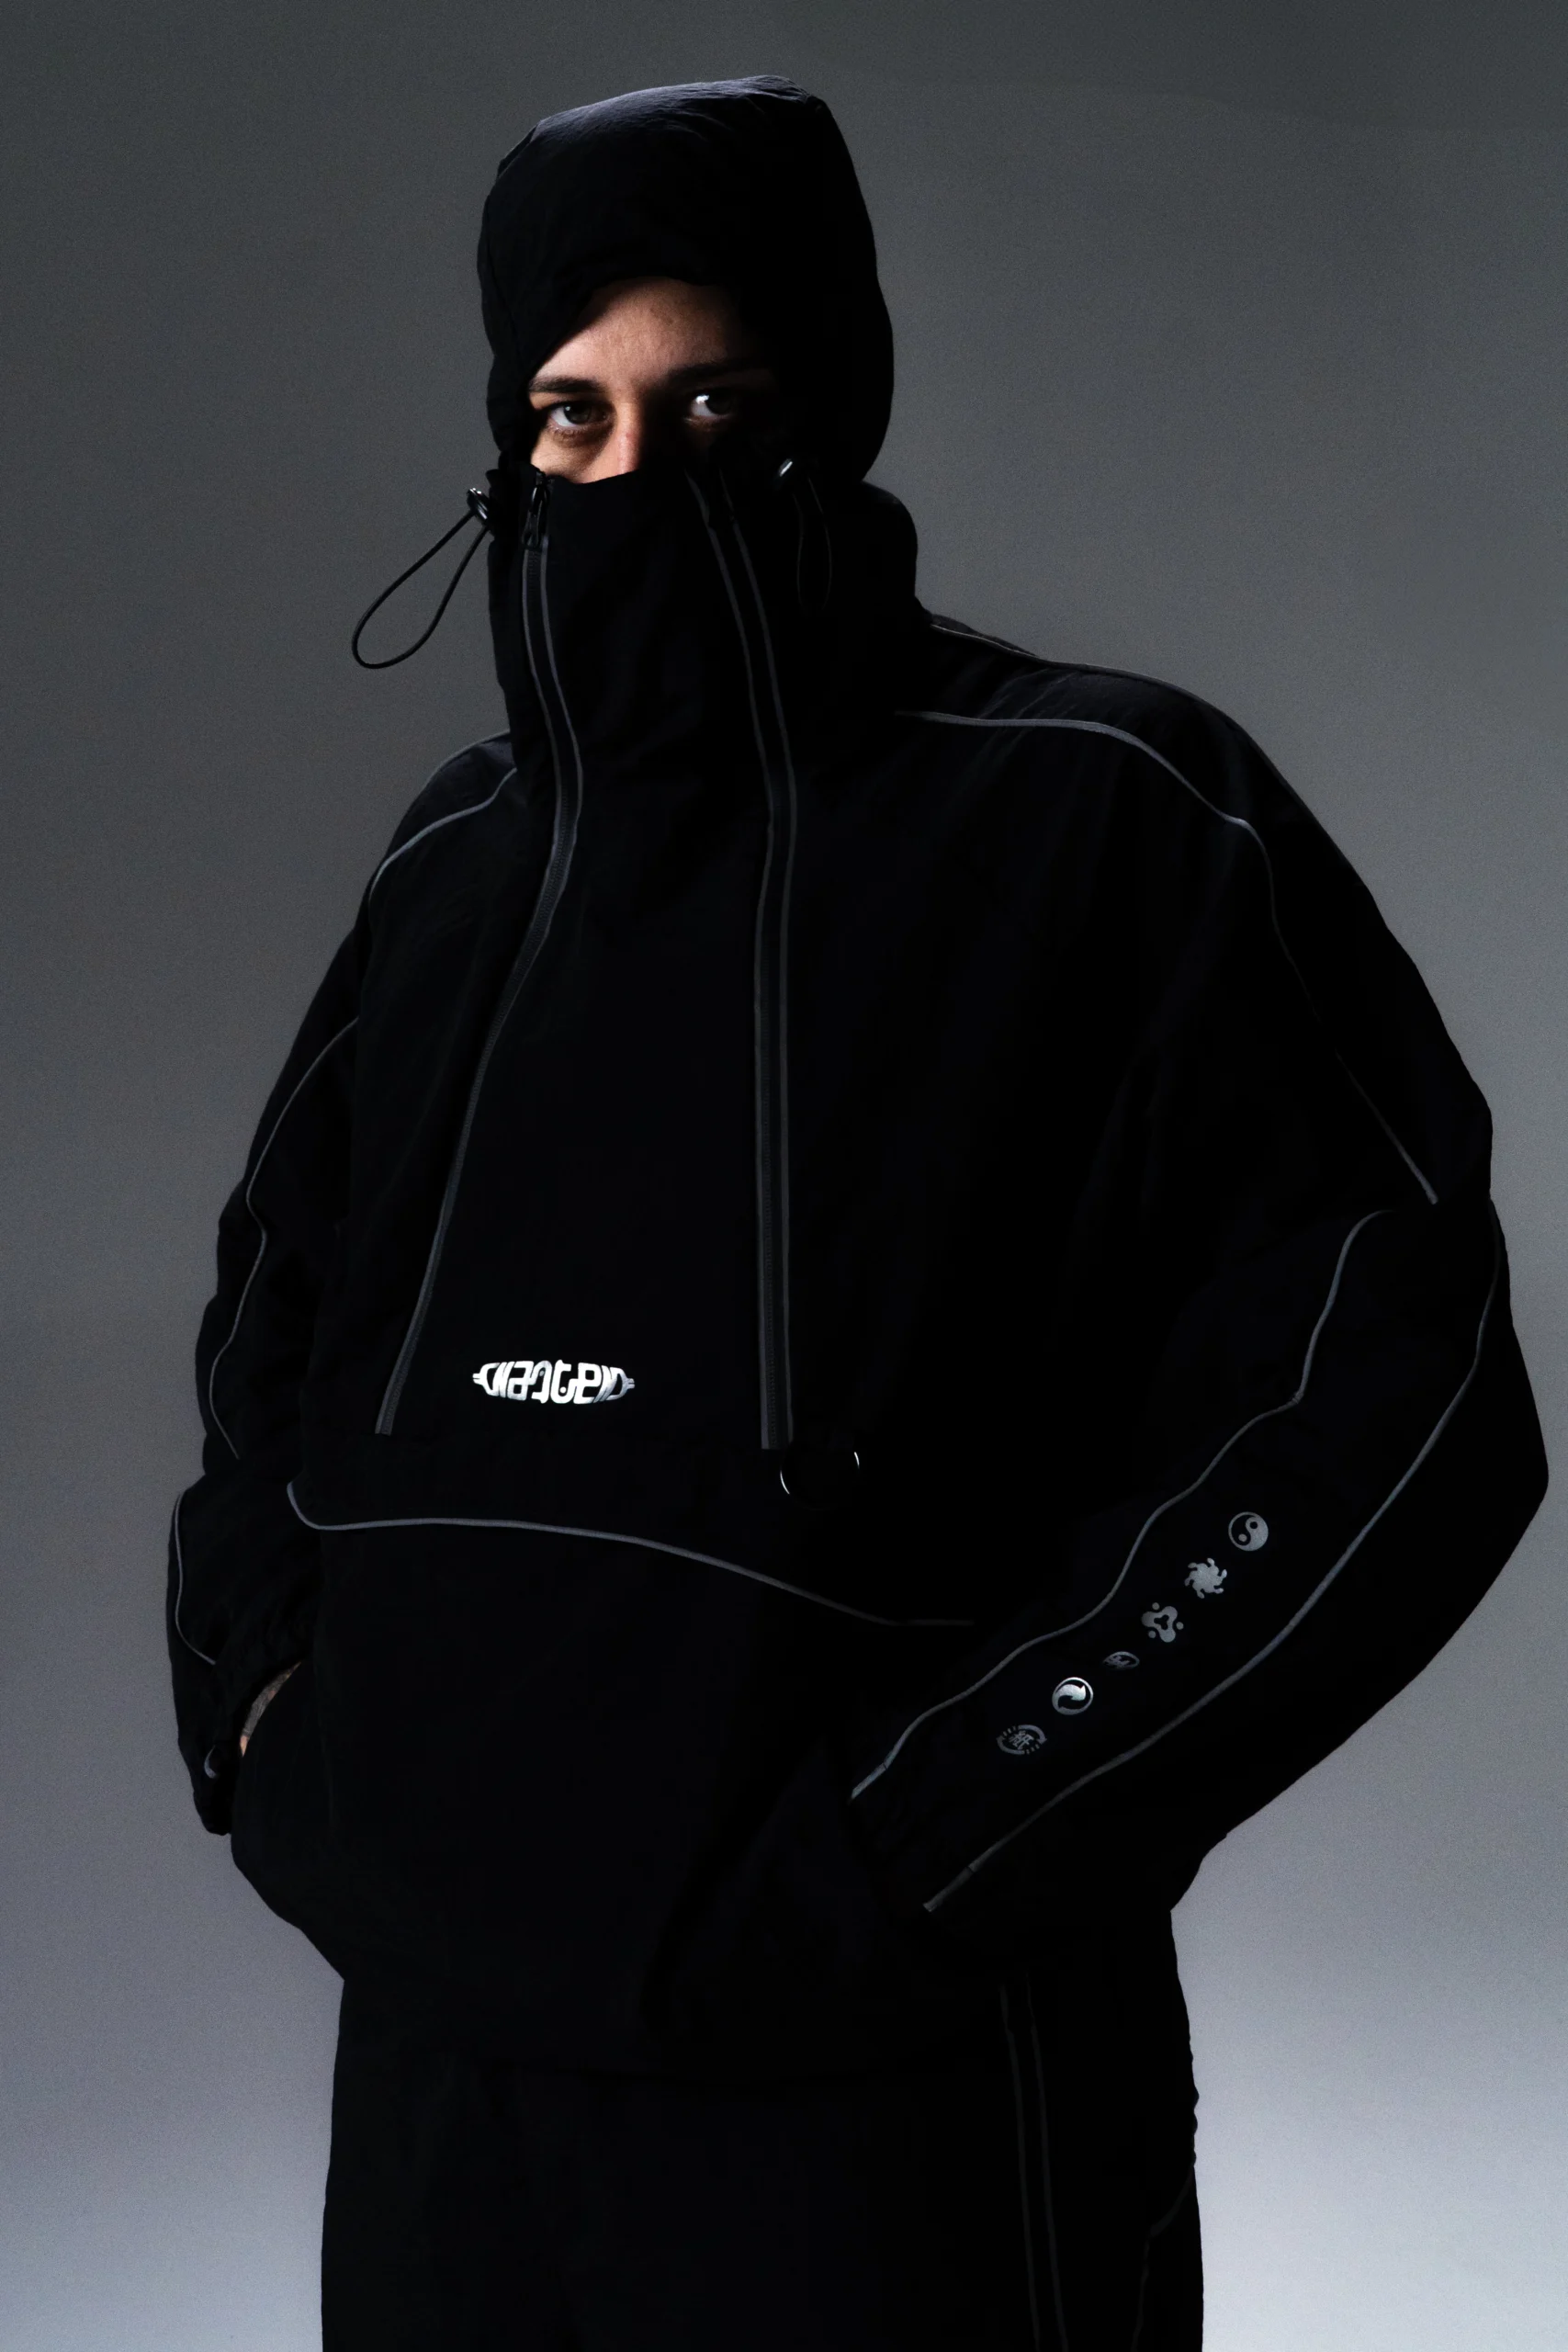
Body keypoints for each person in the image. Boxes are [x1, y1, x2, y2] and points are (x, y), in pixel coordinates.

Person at [167, 75, 1546, 2352]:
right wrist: (270, 1729)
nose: (637, 475)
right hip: (449, 2103)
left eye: (714, 401)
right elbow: (270, 1339)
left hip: (895, 2102)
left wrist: (940, 1833)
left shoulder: (1103, 809)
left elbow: (1397, 1387)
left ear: (831, 401)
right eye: (573, 417)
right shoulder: (456, 866)